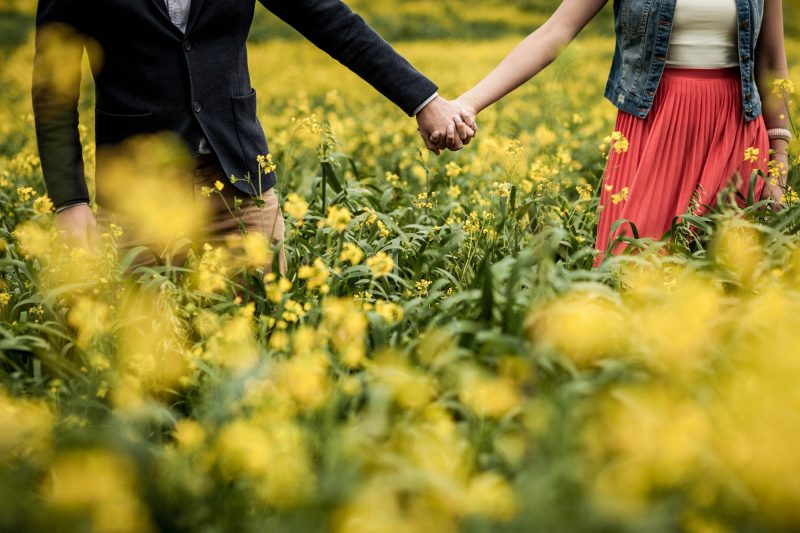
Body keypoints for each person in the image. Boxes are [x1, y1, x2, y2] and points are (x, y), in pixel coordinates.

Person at [32, 0, 476, 270]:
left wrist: (422, 100)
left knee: (262, 342)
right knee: (143, 365)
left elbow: (329, 20)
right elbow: (53, 92)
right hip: (136, 195)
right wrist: (69, 203)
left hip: (239, 182)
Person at [444, 0, 791, 264]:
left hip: (736, 134)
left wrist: (778, 163)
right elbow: (553, 34)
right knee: (635, 270)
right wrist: (468, 103)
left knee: (732, 282)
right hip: (654, 131)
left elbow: (772, 65)